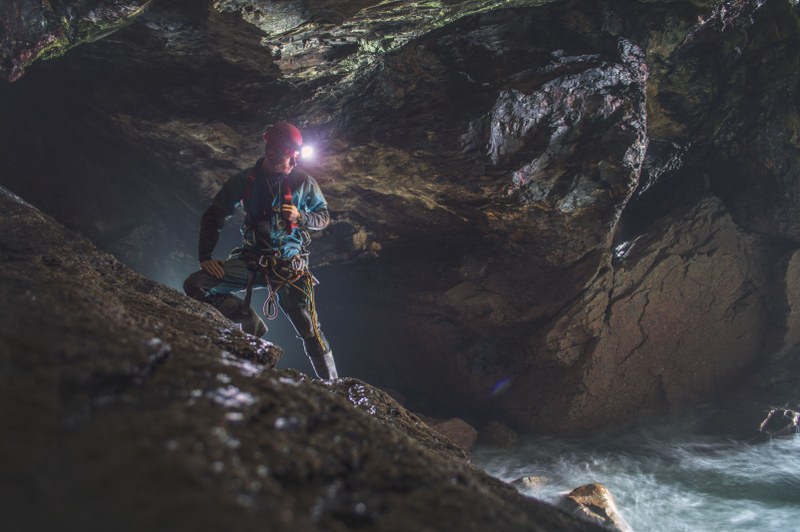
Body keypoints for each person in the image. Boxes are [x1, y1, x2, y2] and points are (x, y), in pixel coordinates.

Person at [183, 122, 337, 379]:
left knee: (310, 331)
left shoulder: (303, 183)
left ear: (293, 154)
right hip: (252, 260)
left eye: (280, 150)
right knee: (197, 284)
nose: (274, 154)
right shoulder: (246, 181)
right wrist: (205, 257)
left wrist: (302, 216)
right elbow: (215, 215)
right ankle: (250, 321)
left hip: (290, 266)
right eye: (271, 149)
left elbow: (323, 217)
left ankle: (334, 386)